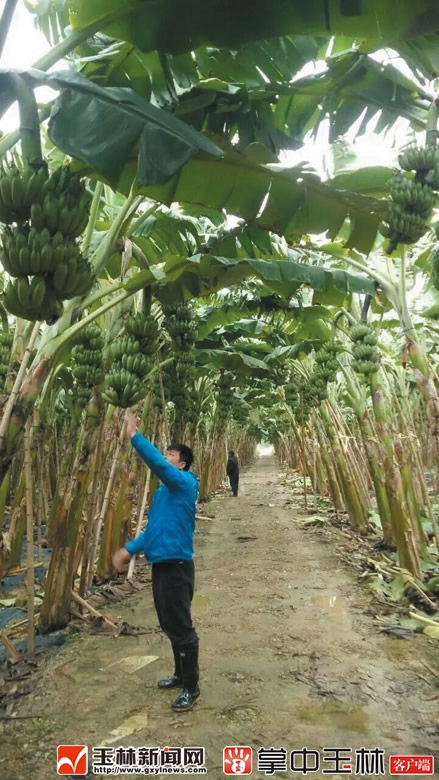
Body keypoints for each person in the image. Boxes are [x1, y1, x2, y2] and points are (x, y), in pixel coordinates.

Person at [112, 410, 200, 713]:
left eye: (170, 454)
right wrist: (129, 549)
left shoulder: (185, 483)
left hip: (178, 565)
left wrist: (134, 435)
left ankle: (192, 687)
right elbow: (154, 529)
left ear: (182, 463)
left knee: (182, 627)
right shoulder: (164, 493)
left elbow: (159, 466)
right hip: (162, 564)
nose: (166, 456)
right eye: (166, 453)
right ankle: (179, 675)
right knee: (169, 624)